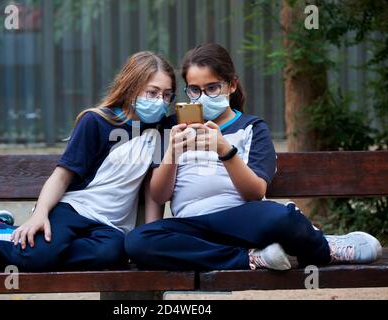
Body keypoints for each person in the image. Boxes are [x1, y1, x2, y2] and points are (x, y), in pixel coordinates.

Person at [125, 43, 382, 271]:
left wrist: (224, 150)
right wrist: (172, 151)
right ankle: (251, 258)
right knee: (138, 242)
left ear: (232, 84)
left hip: (243, 219)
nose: (203, 97)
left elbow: (255, 193)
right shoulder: (173, 127)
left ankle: (325, 248)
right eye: (194, 90)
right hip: (192, 227)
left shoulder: (252, 128)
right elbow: (159, 196)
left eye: (212, 87)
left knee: (282, 217)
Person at [0, 51, 176, 272]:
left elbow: (151, 190)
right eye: (152, 93)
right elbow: (60, 177)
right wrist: (39, 213)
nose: (160, 101)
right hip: (74, 208)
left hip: (110, 226)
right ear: (131, 88)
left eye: (167, 95)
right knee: (43, 251)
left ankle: (3, 252)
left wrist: (150, 239)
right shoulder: (96, 122)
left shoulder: (161, 131)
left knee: (112, 255)